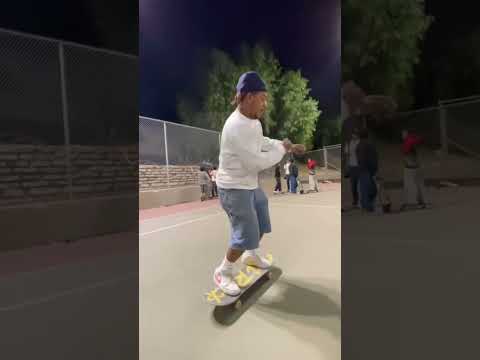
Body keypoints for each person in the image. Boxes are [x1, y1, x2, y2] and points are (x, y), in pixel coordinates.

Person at [213, 71, 305, 295]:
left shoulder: (252, 122)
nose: (266, 103)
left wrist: (284, 145)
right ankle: (223, 271)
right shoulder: (235, 126)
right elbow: (256, 163)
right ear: (249, 96)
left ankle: (250, 255)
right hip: (233, 188)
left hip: (249, 185)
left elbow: (261, 142)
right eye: (263, 98)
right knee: (246, 232)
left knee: (261, 218)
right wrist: (282, 150)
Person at [400, 129, 426, 210]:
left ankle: (409, 202)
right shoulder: (413, 142)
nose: (402, 136)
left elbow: (406, 152)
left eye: (403, 134)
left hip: (410, 168)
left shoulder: (408, 143)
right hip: (415, 167)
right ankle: (420, 202)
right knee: (417, 185)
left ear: (406, 134)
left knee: (409, 186)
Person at [356, 129, 378, 212]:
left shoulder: (360, 145)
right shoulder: (368, 145)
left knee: (366, 188)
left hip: (363, 169)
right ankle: (368, 206)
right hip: (367, 169)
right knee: (370, 189)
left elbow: (361, 159)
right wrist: (374, 168)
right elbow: (373, 157)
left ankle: (367, 205)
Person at [344, 129, 361, 207]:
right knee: (353, 185)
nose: (354, 135)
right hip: (352, 166)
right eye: (353, 134)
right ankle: (355, 200)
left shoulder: (360, 142)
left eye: (355, 134)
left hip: (359, 166)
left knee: (359, 184)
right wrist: (347, 166)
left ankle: (360, 201)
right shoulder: (348, 143)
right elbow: (347, 155)